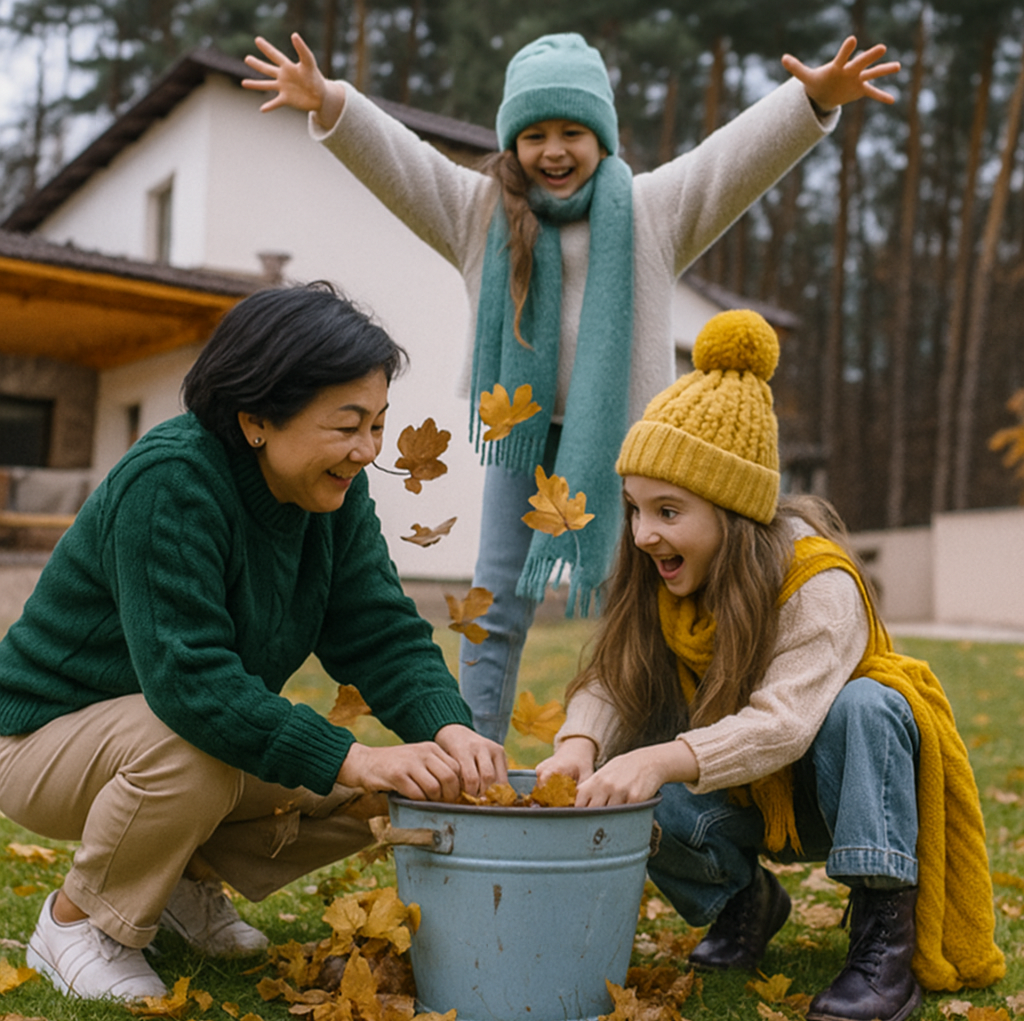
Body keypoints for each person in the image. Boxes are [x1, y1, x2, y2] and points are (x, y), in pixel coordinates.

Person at [241, 30, 900, 745]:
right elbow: (406, 167)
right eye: (535, 134)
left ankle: (639, 770)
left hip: (626, 451)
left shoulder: (651, 213)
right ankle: (476, 757)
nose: (553, 151)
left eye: (572, 132)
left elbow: (728, 163)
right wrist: (332, 102)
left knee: (641, 608)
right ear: (512, 143)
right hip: (518, 441)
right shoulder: (481, 214)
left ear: (603, 138)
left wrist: (810, 100)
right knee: (495, 608)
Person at [0, 282, 507, 1002]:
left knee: (406, 783)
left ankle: (176, 885)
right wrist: (352, 757)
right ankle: (79, 924)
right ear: (257, 419)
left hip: (167, 729)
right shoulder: (172, 481)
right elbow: (190, 684)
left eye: (378, 424)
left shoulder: (331, 492)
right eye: (347, 425)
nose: (367, 451)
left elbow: (378, 626)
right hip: (39, 741)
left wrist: (448, 729)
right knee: (202, 741)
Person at [535, 309, 1005, 1021]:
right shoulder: (663, 578)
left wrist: (662, 759)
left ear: (734, 511)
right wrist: (580, 745)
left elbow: (785, 724)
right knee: (623, 770)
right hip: (748, 791)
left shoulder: (817, 582)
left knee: (869, 705)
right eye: (635, 509)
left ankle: (884, 935)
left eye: (668, 510)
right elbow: (616, 675)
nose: (643, 533)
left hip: (839, 787)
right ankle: (744, 901)